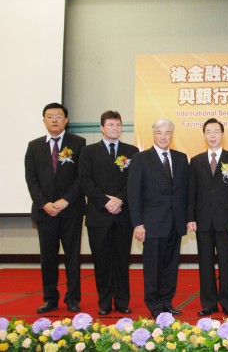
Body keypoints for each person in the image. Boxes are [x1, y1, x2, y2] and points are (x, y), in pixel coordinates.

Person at [25, 102, 86, 314]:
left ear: (66, 120)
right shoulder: (34, 146)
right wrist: (44, 203)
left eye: (58, 116)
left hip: (71, 210)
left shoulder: (79, 143)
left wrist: (65, 200)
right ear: (44, 120)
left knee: (72, 256)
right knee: (48, 257)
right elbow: (31, 179)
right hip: (45, 211)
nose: (54, 120)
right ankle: (50, 298)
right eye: (50, 116)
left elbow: (82, 177)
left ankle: (73, 298)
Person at [127, 118, 189, 318]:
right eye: (160, 133)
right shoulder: (141, 158)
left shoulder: (181, 158)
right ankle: (154, 305)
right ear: (153, 134)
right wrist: (137, 223)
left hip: (175, 222)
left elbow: (185, 191)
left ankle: (166, 302)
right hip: (151, 224)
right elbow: (133, 193)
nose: (164, 137)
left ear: (172, 134)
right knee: (153, 267)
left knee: (171, 266)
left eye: (168, 133)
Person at [79, 110, 138, 315]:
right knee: (102, 261)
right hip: (99, 215)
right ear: (102, 127)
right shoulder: (89, 152)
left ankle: (122, 302)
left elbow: (134, 181)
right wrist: (106, 201)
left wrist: (120, 199)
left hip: (123, 214)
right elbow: (85, 181)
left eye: (118, 125)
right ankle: (104, 303)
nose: (115, 128)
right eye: (111, 125)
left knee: (122, 260)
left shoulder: (132, 151)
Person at [187, 118, 228, 317]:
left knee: (227, 263)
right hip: (202, 220)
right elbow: (191, 192)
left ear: (222, 134)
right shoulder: (196, 161)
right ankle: (208, 304)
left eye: (216, 132)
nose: (212, 135)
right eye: (208, 132)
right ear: (204, 135)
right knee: (205, 263)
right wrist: (190, 217)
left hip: (227, 220)